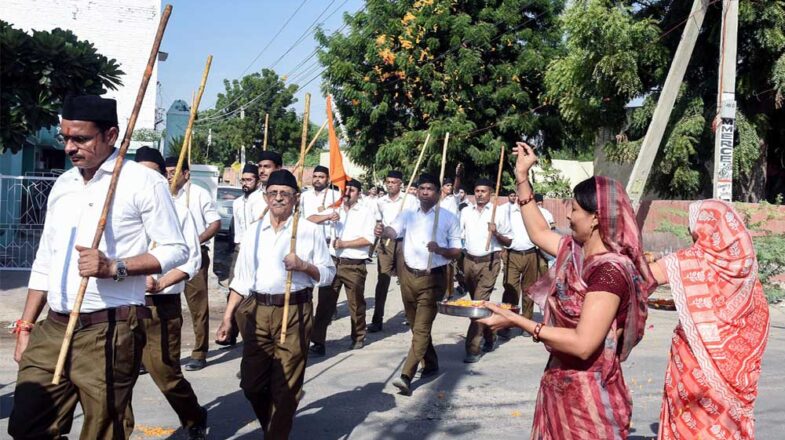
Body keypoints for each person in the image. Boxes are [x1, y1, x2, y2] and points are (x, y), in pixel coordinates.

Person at [9, 95, 188, 439]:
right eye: (65, 138)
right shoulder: (63, 184)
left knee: (104, 431)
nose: (69, 148)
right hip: (54, 328)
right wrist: (26, 326)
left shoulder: (142, 181)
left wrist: (114, 268)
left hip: (110, 328)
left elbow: (175, 249)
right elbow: (45, 259)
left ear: (111, 135)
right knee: (27, 426)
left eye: (81, 139)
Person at [478, 142, 656, 439]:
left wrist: (518, 321)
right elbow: (538, 233)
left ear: (596, 217)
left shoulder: (609, 271)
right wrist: (522, 178)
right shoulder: (575, 252)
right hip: (559, 385)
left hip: (589, 399)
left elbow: (583, 343)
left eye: (574, 209)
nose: (569, 216)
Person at [215, 169, 335, 438]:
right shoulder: (254, 232)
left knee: (285, 388)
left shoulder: (308, 231)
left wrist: (304, 266)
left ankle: (277, 431)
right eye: (273, 193)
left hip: (294, 311)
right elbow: (242, 280)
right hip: (256, 311)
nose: (278, 198)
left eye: (285, 194)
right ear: (266, 196)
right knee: (252, 384)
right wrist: (227, 318)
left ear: (295, 199)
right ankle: (273, 423)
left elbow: (328, 275)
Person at [647, 200, 770, 439]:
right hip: (737, 375)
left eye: (694, 233)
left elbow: (642, 277)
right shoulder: (747, 273)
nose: (693, 239)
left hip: (697, 372)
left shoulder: (691, 261)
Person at [130, 147, 207, 439]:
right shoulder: (120, 207)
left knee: (166, 374)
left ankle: (193, 415)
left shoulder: (179, 211)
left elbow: (192, 259)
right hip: (123, 302)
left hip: (160, 305)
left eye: (153, 172)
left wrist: (161, 282)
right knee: (117, 375)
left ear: (163, 176)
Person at [379, 173, 462, 395]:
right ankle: (432, 363)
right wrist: (382, 231)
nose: (425, 192)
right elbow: (392, 231)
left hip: (433, 277)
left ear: (438, 193)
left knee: (422, 327)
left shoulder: (448, 218)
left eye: (430, 189)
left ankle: (406, 375)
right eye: (422, 188)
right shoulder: (407, 214)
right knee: (417, 327)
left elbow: (456, 252)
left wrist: (440, 249)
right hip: (408, 275)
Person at [165, 156, 221, 371]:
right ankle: (167, 354)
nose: (170, 176)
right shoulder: (164, 194)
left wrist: (195, 241)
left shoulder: (198, 194)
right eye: (167, 172)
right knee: (166, 306)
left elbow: (214, 223)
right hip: (168, 257)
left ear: (186, 174)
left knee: (197, 307)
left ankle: (199, 352)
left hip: (193, 257)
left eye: (174, 172)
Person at [310, 179, 376, 356]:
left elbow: (368, 239)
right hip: (332, 262)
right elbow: (310, 219)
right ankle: (318, 341)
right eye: (345, 190)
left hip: (353, 264)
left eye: (352, 190)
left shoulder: (366, 212)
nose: (347, 193)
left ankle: (358, 336)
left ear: (359, 193)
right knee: (324, 304)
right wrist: (327, 216)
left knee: (355, 303)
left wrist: (344, 243)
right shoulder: (335, 208)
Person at [460, 178, 513, 363]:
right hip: (469, 261)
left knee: (478, 305)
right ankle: (491, 335)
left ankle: (472, 348)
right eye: (477, 190)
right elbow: (460, 237)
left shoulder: (498, 212)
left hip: (490, 262)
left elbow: (509, 241)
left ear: (491, 193)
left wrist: (496, 232)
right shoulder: (466, 212)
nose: (480, 194)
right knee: (479, 303)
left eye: (483, 191)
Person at [369, 170, 417, 332]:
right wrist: (378, 229)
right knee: (382, 280)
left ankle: (410, 316)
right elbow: (378, 222)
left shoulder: (410, 200)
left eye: (394, 182)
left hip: (404, 242)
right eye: (388, 182)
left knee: (406, 281)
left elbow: (417, 221)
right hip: (386, 243)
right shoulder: (380, 201)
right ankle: (377, 319)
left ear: (400, 184)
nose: (390, 185)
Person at [498, 190, 541, 339]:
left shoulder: (538, 212)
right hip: (513, 254)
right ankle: (505, 323)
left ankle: (526, 324)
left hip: (531, 254)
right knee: (510, 289)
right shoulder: (507, 211)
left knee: (529, 290)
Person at [301, 165, 341, 241]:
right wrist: (328, 216)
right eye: (315, 176)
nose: (317, 179)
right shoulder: (304, 196)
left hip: (327, 241)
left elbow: (338, 218)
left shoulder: (335, 196)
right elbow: (303, 219)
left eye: (321, 177)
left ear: (328, 179)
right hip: (307, 238)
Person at [251, 150, 284, 221]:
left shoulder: (290, 197)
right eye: (260, 166)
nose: (262, 171)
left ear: (278, 168)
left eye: (267, 167)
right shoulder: (252, 199)